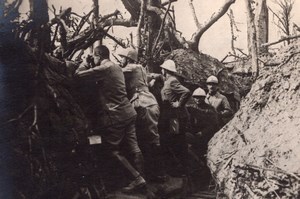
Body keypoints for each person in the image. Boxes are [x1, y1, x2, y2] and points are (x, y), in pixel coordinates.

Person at [74, 45, 146, 192]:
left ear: (98, 56)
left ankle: (137, 179)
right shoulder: (117, 67)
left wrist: (85, 63)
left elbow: (77, 75)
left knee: (111, 150)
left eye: (94, 57)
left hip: (116, 115)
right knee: (134, 147)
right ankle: (143, 181)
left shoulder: (103, 69)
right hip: (129, 112)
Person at [118, 48, 166, 182]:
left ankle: (159, 174)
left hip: (144, 104)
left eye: (122, 57)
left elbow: (114, 71)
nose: (121, 60)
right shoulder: (141, 69)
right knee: (150, 139)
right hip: (149, 104)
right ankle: (155, 174)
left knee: (151, 140)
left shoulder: (132, 67)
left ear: (128, 59)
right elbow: (155, 76)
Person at [159, 59, 191, 176]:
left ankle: (181, 170)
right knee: (173, 140)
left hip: (175, 118)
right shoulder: (167, 81)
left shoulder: (172, 81)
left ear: (165, 70)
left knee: (177, 141)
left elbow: (186, 92)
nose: (161, 71)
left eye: (162, 69)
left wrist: (178, 104)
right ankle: (179, 169)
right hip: (171, 117)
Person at [186, 87, 219, 159]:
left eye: (200, 97)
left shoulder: (210, 109)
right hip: (194, 133)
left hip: (206, 135)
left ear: (204, 98)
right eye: (195, 97)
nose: (197, 99)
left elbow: (214, 125)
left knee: (204, 153)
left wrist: (203, 132)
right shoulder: (191, 107)